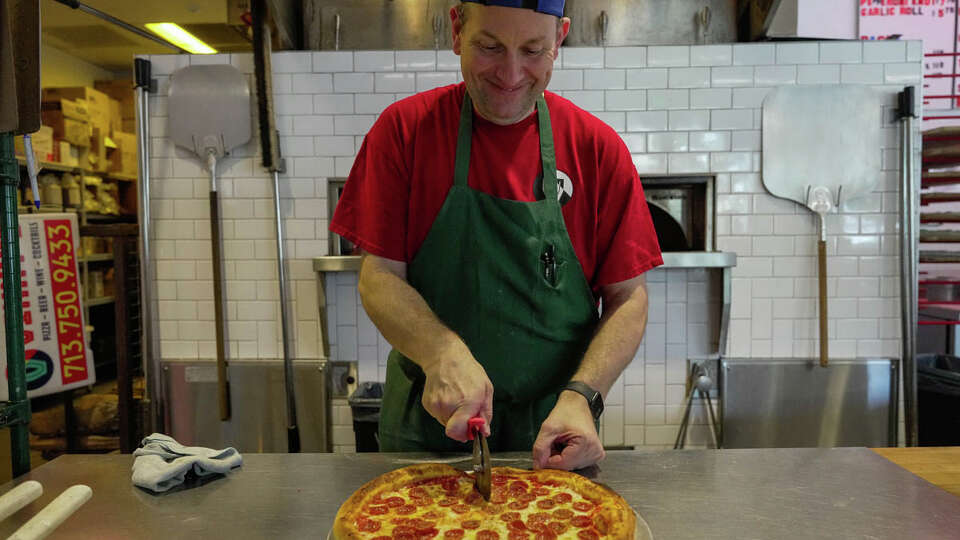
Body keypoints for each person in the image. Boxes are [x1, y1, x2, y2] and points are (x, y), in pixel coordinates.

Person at [330, 0, 662, 471]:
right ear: (457, 29)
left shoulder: (597, 150)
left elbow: (629, 298)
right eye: (489, 46)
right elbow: (378, 276)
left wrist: (584, 395)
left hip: (553, 438)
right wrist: (440, 351)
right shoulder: (404, 132)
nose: (510, 73)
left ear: (560, 39)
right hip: (428, 435)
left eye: (533, 50)